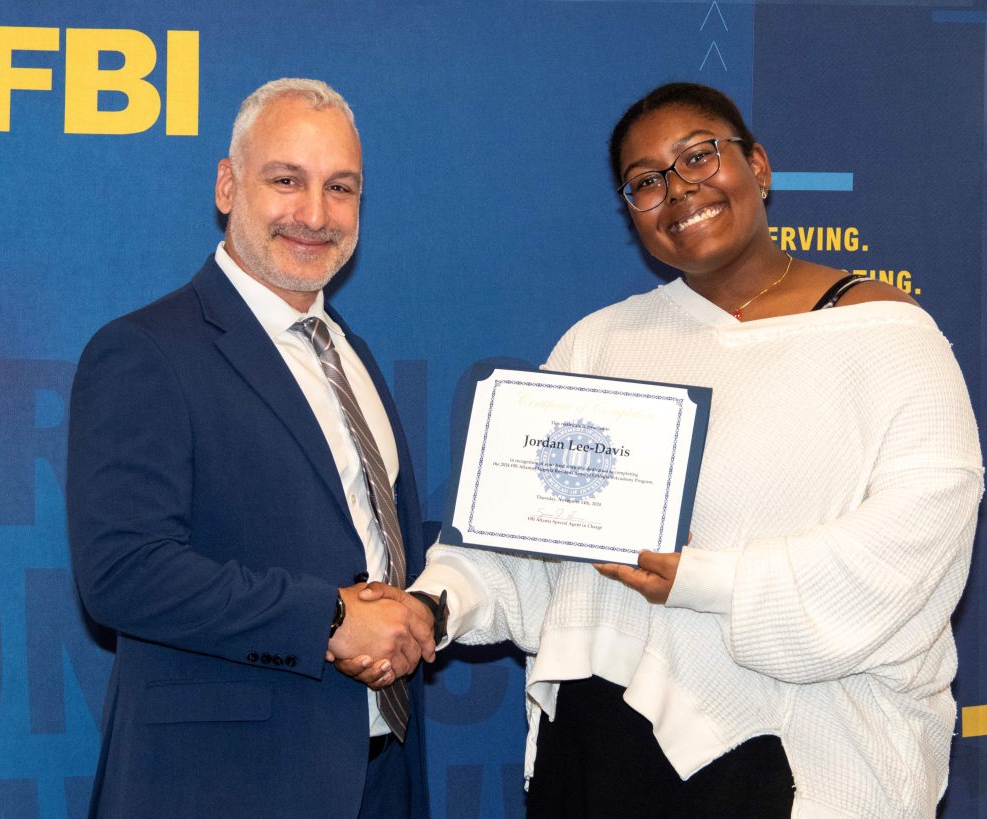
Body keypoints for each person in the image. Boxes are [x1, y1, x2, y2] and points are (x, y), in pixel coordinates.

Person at [359, 82, 983, 816]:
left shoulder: (886, 334)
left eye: (698, 156)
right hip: (595, 752)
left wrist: (700, 578)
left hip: (792, 758)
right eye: (646, 180)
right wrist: (435, 605)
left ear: (758, 164)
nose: (678, 189)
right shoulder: (601, 342)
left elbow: (915, 546)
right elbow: (521, 538)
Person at [67, 78, 435, 819]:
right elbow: (122, 572)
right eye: (286, 180)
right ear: (228, 185)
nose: (314, 214)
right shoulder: (145, 350)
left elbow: (373, 549)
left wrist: (445, 592)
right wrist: (328, 618)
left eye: (341, 188)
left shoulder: (349, 353)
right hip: (220, 784)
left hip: (380, 776)